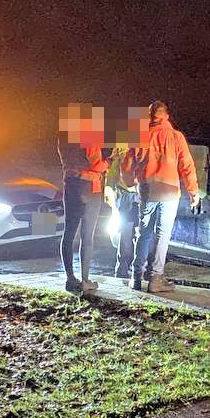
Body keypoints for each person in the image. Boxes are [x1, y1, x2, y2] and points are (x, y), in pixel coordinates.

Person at [128, 101, 201, 293]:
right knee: (162, 235)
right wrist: (193, 192)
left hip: (147, 191)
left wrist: (129, 183)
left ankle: (136, 276)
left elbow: (126, 166)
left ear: (149, 116)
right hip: (169, 192)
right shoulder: (176, 137)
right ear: (166, 115)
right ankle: (156, 279)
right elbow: (187, 166)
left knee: (143, 233)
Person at [56, 104, 112, 295]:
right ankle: (86, 280)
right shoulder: (89, 135)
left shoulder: (63, 137)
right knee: (87, 235)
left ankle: (70, 278)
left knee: (69, 232)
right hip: (90, 188)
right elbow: (96, 164)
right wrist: (109, 162)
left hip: (71, 186)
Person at [104, 142, 142, 279]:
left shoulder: (122, 144)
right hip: (137, 193)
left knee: (127, 232)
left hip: (127, 194)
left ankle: (123, 269)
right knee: (140, 233)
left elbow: (113, 169)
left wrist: (109, 188)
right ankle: (135, 269)